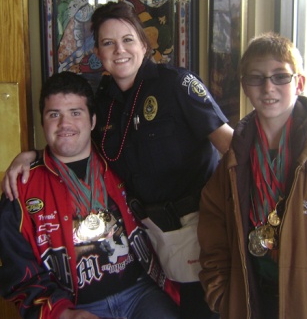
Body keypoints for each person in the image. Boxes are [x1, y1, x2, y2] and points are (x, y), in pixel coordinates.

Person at [1, 2, 233, 318]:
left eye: (127, 39)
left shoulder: (176, 84)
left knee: (210, 311)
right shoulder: (104, 102)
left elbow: (232, 147)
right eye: (108, 42)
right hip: (156, 238)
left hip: (202, 226)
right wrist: (29, 155)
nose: (119, 50)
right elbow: (71, 137)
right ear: (97, 51)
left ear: (143, 43)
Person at [0, 71, 180, 319]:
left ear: (93, 121)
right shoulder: (21, 187)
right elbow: (17, 273)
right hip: (75, 307)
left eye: (76, 113)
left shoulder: (121, 162)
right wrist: (65, 314)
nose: (65, 124)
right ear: (42, 123)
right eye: (54, 115)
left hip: (140, 293)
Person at [198, 31, 307, 319]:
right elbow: (213, 224)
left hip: (306, 301)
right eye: (256, 77)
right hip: (250, 295)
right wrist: (221, 292)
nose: (268, 87)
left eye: (280, 76)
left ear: (299, 83)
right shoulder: (235, 157)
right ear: (245, 87)